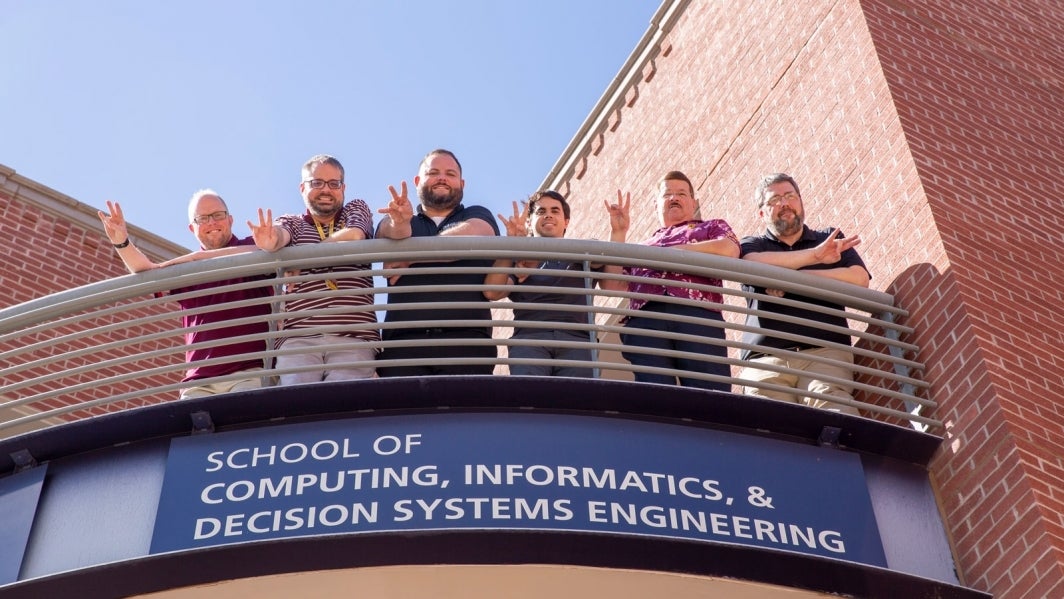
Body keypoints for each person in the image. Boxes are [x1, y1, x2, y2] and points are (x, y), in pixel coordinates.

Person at [97, 190, 273, 398]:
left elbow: (269, 252)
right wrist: (122, 242)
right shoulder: (186, 270)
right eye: (202, 219)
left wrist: (196, 258)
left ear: (230, 219)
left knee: (248, 428)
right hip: (199, 382)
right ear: (192, 228)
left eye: (218, 215)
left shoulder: (251, 249)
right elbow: (146, 271)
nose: (212, 223)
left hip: (249, 373)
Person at [737, 172, 870, 415]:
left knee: (835, 413)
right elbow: (752, 264)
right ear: (761, 213)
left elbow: (859, 279)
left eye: (789, 196)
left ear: (800, 201)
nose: (784, 203)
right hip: (766, 359)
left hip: (825, 353)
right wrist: (816, 257)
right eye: (774, 200)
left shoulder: (829, 238)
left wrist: (794, 279)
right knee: (772, 430)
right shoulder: (751, 245)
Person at [603, 170, 740, 391]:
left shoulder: (710, 227)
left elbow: (730, 248)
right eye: (667, 194)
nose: (674, 198)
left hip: (697, 314)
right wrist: (618, 233)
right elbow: (612, 284)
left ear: (693, 202)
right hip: (646, 319)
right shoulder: (641, 248)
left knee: (709, 394)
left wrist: (674, 253)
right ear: (656, 204)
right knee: (655, 394)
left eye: (681, 193)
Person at [248, 154, 378, 385]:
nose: (325, 189)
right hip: (298, 339)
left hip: (354, 338)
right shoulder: (292, 222)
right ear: (302, 187)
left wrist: (304, 260)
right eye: (316, 183)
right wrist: (270, 240)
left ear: (343, 187)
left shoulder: (355, 209)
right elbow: (278, 236)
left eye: (333, 183)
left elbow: (354, 235)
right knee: (297, 405)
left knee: (346, 406)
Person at [374, 148, 500, 376]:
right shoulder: (400, 217)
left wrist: (411, 255)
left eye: (450, 174)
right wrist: (401, 225)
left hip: (467, 344)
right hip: (403, 346)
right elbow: (389, 232)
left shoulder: (477, 214)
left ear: (462, 183)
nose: (442, 177)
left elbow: (475, 233)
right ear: (417, 181)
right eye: (434, 172)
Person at [483, 190, 624, 377]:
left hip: (577, 343)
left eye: (555, 210)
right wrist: (510, 247)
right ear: (530, 222)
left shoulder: (584, 252)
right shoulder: (520, 259)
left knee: (576, 404)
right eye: (541, 211)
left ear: (566, 222)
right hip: (530, 342)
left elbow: (611, 279)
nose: (548, 214)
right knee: (532, 403)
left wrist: (618, 232)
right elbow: (492, 292)